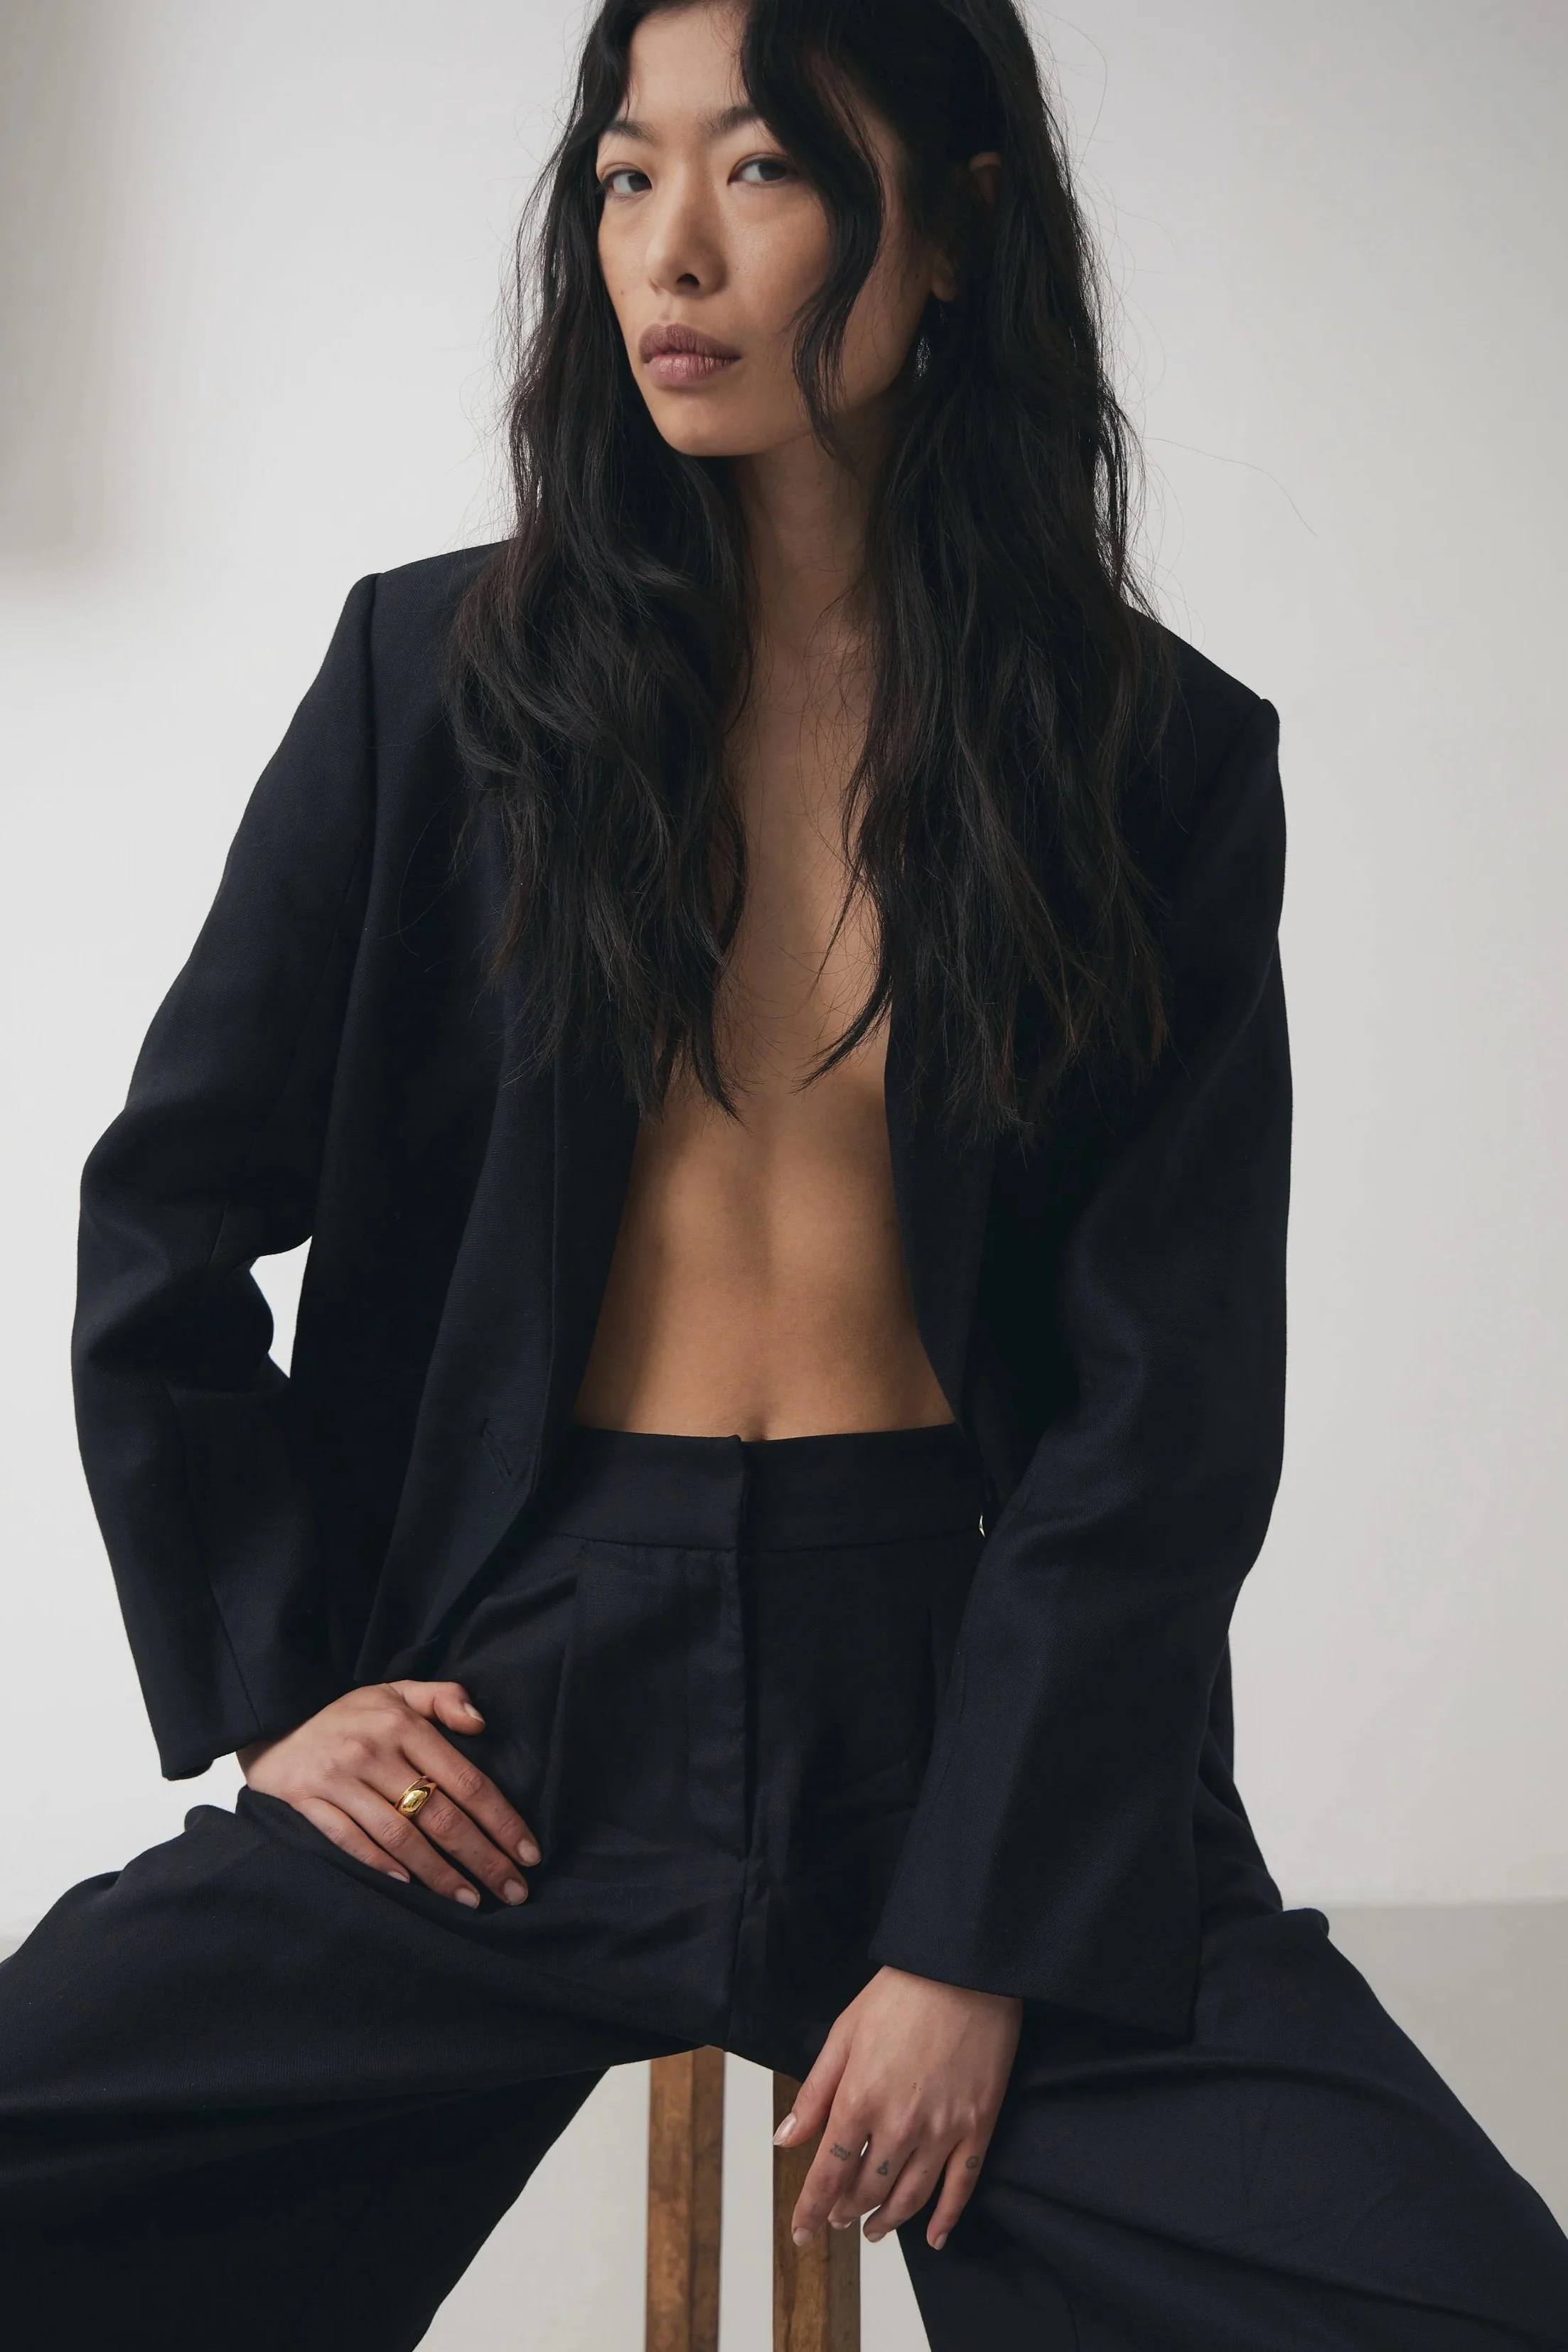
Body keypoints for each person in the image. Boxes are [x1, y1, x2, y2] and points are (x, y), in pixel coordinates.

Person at [3, 1, 1565, 2344]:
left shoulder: (1143, 754)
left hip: (962, 1704)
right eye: (624, 177)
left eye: (758, 169)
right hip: (510, 1705)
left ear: (953, 228)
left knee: (1458, 2299)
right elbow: (168, 1208)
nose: (670, 250)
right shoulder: (440, 684)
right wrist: (276, 1680)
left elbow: (1163, 1397)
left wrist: (976, 1936)